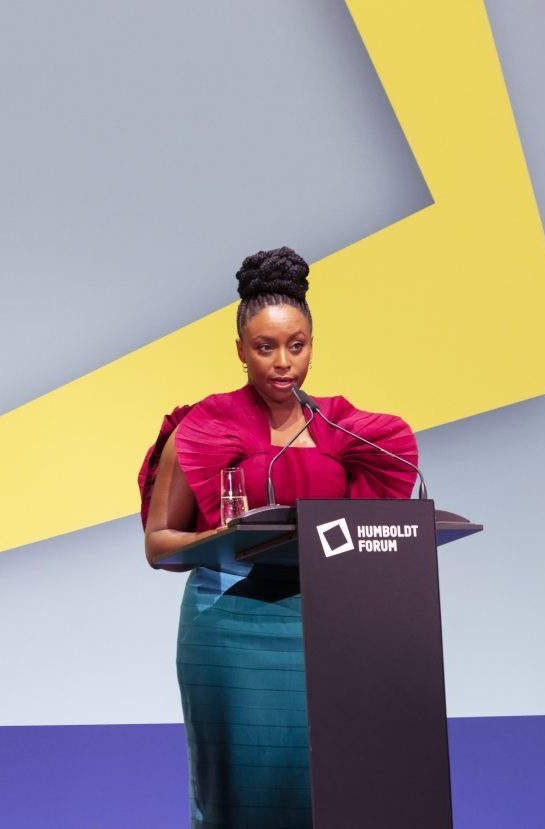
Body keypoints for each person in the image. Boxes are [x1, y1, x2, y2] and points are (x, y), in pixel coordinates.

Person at [139, 245, 418, 828]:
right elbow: (159, 543)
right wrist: (225, 536)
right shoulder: (204, 427)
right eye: (265, 347)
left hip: (324, 628)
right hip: (229, 627)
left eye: (297, 345)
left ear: (313, 344)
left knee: (323, 792)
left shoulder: (344, 427)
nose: (284, 362)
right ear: (240, 350)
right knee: (240, 795)